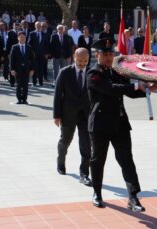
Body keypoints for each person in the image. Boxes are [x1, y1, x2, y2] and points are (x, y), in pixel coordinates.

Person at [87, 38, 147, 211]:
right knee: (98, 160)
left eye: (111, 54)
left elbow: (130, 92)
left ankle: (133, 197)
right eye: (105, 54)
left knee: (126, 159)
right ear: (97, 55)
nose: (108, 57)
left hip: (120, 124)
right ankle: (97, 193)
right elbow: (111, 89)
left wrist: (150, 87)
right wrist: (136, 86)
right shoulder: (93, 73)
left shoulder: (118, 72)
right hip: (100, 125)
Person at [53, 48, 92, 186]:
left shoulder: (92, 72)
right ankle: (61, 161)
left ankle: (84, 173)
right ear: (74, 57)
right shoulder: (65, 72)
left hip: (86, 115)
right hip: (68, 113)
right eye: (80, 60)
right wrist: (56, 115)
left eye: (85, 61)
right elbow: (58, 95)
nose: (82, 64)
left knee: (86, 144)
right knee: (65, 141)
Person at [10, 31, 34, 104]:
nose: (22, 38)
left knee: (25, 85)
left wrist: (32, 70)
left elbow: (32, 59)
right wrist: (12, 69)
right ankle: (19, 99)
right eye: (21, 37)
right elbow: (12, 59)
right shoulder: (14, 47)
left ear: (25, 38)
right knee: (19, 84)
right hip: (17, 69)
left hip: (27, 69)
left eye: (23, 37)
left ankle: (24, 99)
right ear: (18, 38)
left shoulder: (29, 47)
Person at [28, 21, 50, 86]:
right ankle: (34, 82)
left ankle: (41, 82)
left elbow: (47, 45)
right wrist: (31, 52)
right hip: (34, 54)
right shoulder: (32, 34)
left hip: (42, 55)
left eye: (40, 25)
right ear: (35, 26)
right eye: (37, 25)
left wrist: (47, 53)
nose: (39, 27)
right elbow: (29, 44)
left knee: (41, 68)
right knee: (34, 68)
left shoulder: (44, 34)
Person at [6, 22, 21, 86]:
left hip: (20, 52)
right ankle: (12, 82)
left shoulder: (21, 33)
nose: (17, 26)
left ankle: (18, 81)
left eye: (18, 25)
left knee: (19, 67)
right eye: (15, 25)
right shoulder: (9, 32)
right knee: (12, 67)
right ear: (13, 26)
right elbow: (8, 43)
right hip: (12, 52)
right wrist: (8, 53)